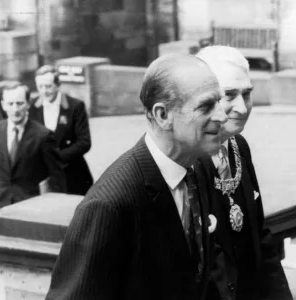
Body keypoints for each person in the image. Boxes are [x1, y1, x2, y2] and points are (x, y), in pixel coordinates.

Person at [45, 54, 228, 300]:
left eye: (219, 102)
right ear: (163, 115)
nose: (222, 116)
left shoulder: (195, 168)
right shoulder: (108, 206)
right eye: (206, 106)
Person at [196, 46, 293, 300]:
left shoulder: (239, 146)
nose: (242, 107)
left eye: (247, 93)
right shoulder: (188, 160)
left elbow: (260, 238)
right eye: (229, 95)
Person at [0, 83, 66, 208]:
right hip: (1, 206)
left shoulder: (43, 136)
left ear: (28, 104)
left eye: (19, 103)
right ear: (3, 105)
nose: (15, 109)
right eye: (10, 104)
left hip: (30, 207)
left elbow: (57, 178)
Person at [29, 65, 93, 195]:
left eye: (48, 86)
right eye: (40, 87)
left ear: (58, 85)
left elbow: (84, 142)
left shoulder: (75, 106)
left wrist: (56, 159)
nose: (44, 91)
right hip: (44, 175)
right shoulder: (32, 107)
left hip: (72, 174)